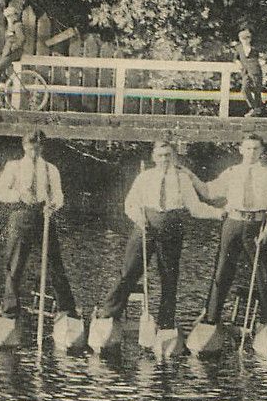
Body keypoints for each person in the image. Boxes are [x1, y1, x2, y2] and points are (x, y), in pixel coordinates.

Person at [93, 140, 223, 332]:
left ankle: (166, 323)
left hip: (171, 227)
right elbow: (130, 203)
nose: (164, 159)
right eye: (160, 156)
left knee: (169, 278)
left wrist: (219, 213)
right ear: (154, 158)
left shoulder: (182, 179)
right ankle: (110, 312)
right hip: (145, 226)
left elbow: (195, 208)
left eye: (168, 155)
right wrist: (140, 219)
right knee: (129, 271)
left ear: (174, 157)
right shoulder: (145, 177)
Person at [196, 134, 267, 334]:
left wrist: (266, 232)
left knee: (263, 273)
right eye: (248, 148)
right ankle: (211, 318)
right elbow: (210, 192)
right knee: (223, 270)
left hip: (257, 225)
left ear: (261, 151)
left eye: (256, 149)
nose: (251, 153)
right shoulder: (231, 172)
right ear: (241, 149)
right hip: (233, 223)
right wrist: (191, 177)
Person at [0, 129, 79, 321]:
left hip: (44, 216)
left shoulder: (50, 169)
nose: (34, 151)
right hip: (21, 215)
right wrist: (18, 196)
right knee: (15, 263)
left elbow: (58, 194)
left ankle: (66, 308)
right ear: (24, 146)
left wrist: (53, 205)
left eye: (37, 147)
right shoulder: (14, 167)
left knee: (55, 263)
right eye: (30, 147)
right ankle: (10, 308)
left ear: (42, 147)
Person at [0, 0, 34, 101]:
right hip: (7, 52)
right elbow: (8, 41)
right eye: (7, 16)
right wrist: (1, 53)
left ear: (14, 15)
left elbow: (21, 40)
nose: (8, 18)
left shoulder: (17, 25)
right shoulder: (10, 25)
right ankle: (3, 83)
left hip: (14, 53)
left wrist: (10, 50)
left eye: (10, 16)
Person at [234, 28, 267, 117]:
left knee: (257, 90)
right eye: (243, 39)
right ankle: (254, 107)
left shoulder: (255, 48)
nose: (245, 40)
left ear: (250, 39)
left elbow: (265, 55)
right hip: (245, 72)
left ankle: (258, 110)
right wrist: (238, 63)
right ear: (240, 39)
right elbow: (235, 58)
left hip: (255, 71)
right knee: (244, 90)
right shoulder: (239, 48)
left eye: (247, 38)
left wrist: (263, 61)